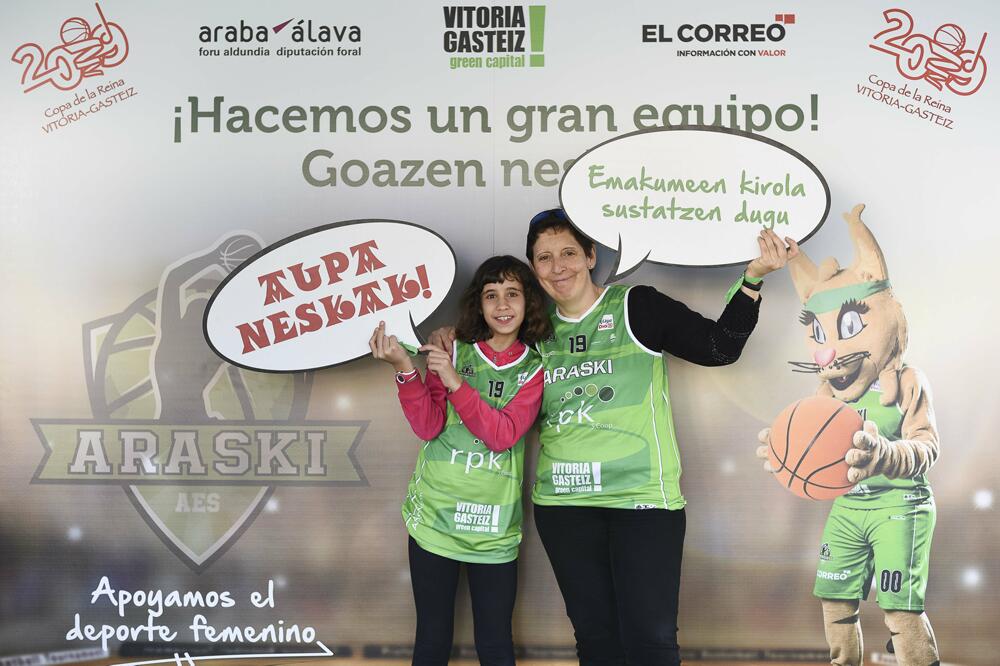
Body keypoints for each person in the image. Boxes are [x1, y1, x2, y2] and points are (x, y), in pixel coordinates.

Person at [431, 209, 796, 666]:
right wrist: (450, 337)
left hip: (643, 503)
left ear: (590, 256)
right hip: (565, 509)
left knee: (651, 643)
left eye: (567, 253)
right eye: (543, 258)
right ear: (534, 269)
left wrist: (753, 278)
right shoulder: (529, 332)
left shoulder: (636, 306)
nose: (557, 266)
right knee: (597, 642)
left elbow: (720, 347)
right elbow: (477, 355)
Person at [369, 255, 552, 666]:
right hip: (435, 521)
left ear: (529, 303)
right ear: (478, 303)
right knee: (432, 641)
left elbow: (502, 435)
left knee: (495, 644)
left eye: (512, 294)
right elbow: (428, 426)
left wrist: (455, 382)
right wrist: (404, 369)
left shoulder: (536, 369)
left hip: (493, 531)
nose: (502, 306)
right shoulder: (453, 349)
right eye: (491, 295)